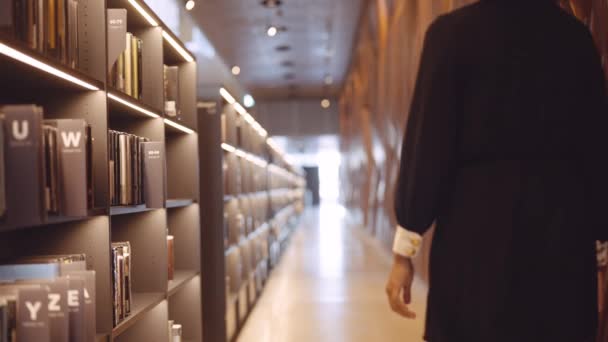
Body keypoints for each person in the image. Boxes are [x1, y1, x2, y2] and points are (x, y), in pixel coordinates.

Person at [385, 0, 608, 341]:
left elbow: (427, 147)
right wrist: (602, 246)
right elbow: (597, 147)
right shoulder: (574, 37)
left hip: (474, 237)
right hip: (560, 235)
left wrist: (405, 250)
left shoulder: (450, 35)